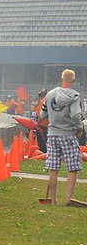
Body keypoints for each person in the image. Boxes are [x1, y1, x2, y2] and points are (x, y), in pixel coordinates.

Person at [39, 70, 83, 206]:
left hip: (52, 134)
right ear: (73, 81)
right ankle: (68, 200)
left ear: (61, 78)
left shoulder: (50, 94)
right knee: (73, 168)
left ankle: (53, 199)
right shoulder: (75, 96)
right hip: (68, 134)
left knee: (54, 167)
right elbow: (75, 115)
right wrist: (79, 128)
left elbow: (43, 114)